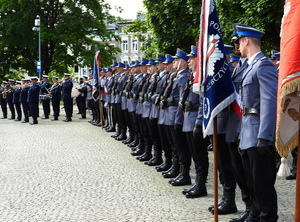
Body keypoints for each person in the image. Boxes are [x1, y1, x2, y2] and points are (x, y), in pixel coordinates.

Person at [235, 24, 278, 221]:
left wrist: (265, 136)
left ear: (247, 41)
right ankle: (256, 215)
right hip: (246, 133)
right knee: (251, 183)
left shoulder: (264, 65)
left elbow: (270, 101)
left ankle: (268, 218)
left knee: (262, 186)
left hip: (258, 134)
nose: (238, 46)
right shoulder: (248, 66)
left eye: (239, 41)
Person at [180, 45, 210, 198]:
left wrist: (199, 122)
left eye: (192, 58)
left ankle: (201, 185)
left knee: (200, 155)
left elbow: (202, 101)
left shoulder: (202, 77)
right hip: (188, 119)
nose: (189, 60)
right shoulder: (193, 77)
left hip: (196, 120)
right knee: (194, 154)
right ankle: (197, 183)